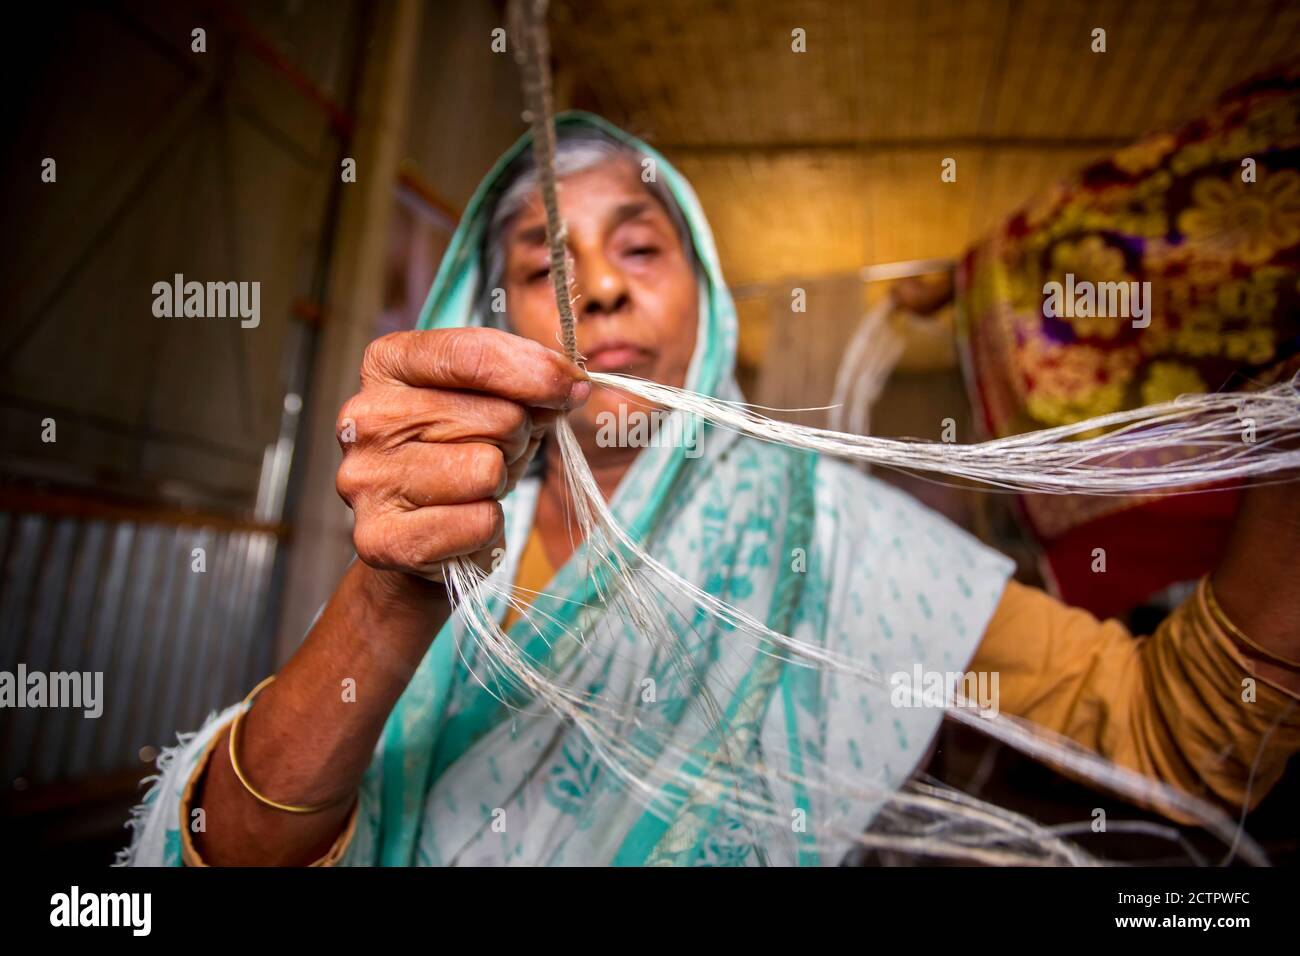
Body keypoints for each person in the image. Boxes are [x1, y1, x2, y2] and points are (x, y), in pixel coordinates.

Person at [121, 114, 1300, 868]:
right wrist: (386, 600)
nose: (597, 291)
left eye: (639, 248)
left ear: (710, 299)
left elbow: (1174, 741)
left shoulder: (832, 540)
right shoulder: (425, 537)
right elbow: (232, 855)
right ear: (487, 325)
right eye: (544, 265)